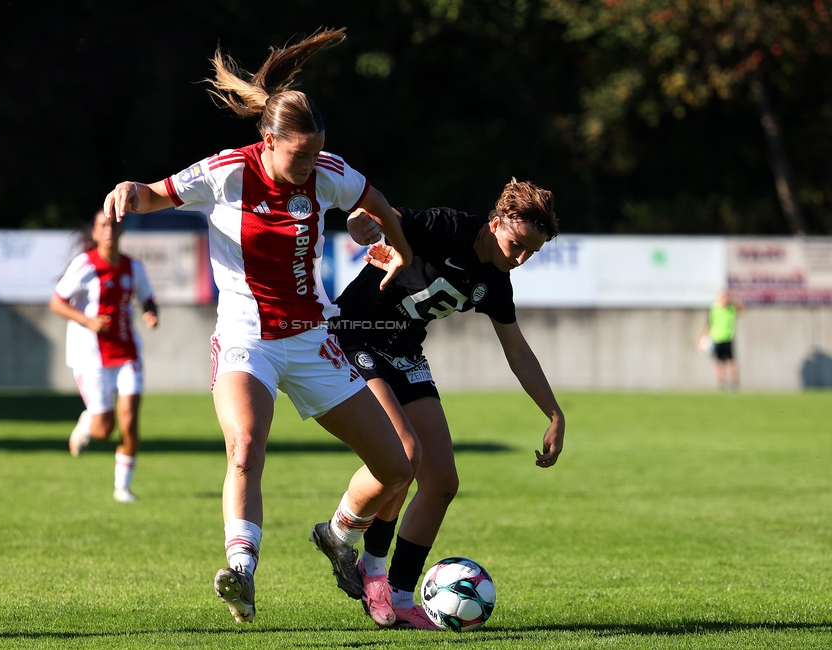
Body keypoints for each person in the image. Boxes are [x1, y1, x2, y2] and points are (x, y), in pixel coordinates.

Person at [101, 28, 415, 625]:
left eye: (314, 154)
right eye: (296, 156)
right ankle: (241, 571)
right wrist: (127, 191)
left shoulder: (327, 171)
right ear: (267, 142)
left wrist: (394, 247)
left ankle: (339, 534)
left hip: (313, 339)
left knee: (398, 466)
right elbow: (155, 195)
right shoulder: (226, 174)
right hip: (248, 337)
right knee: (246, 445)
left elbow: (376, 202)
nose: (306, 169)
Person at [334, 179, 565, 629]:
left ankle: (399, 595)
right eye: (517, 245)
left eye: (531, 254)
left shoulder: (496, 281)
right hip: (355, 334)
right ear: (495, 223)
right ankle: (360, 557)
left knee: (441, 481)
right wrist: (362, 220)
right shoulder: (447, 226)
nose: (519, 259)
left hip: (404, 353)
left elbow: (517, 350)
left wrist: (554, 414)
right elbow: (388, 216)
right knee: (404, 452)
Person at [49, 210, 159, 504]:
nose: (109, 230)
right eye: (102, 225)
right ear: (95, 233)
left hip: (127, 353)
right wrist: (88, 321)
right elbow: (57, 303)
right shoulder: (84, 266)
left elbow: (148, 299)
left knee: (131, 420)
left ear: (121, 232)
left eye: (113, 225)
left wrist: (150, 313)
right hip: (91, 356)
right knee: (103, 429)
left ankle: (122, 487)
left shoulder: (133, 268)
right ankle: (88, 423)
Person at [706, 290, 744, 390]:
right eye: (722, 298)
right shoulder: (714, 308)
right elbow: (708, 323)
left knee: (732, 361)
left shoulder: (731, 308)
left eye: (725, 298)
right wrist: (703, 337)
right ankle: (721, 382)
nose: (724, 300)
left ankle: (734, 382)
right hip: (717, 338)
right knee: (719, 361)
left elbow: (741, 310)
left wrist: (734, 302)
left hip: (728, 337)